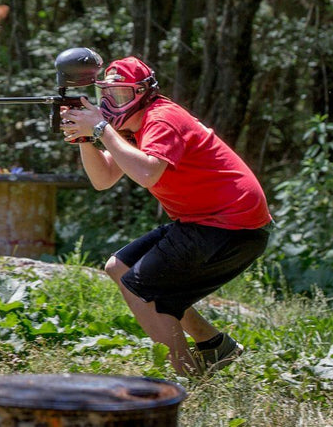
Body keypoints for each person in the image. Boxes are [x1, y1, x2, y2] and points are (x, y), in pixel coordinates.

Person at [59, 56, 272, 376]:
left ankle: (188, 376)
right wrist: (85, 138)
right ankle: (215, 346)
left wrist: (100, 128)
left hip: (232, 226)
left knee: (140, 287)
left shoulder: (162, 118)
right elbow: (102, 180)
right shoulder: (131, 129)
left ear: (144, 92)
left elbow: (147, 173)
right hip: (206, 221)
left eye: (120, 96)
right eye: (106, 96)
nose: (111, 104)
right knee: (120, 268)